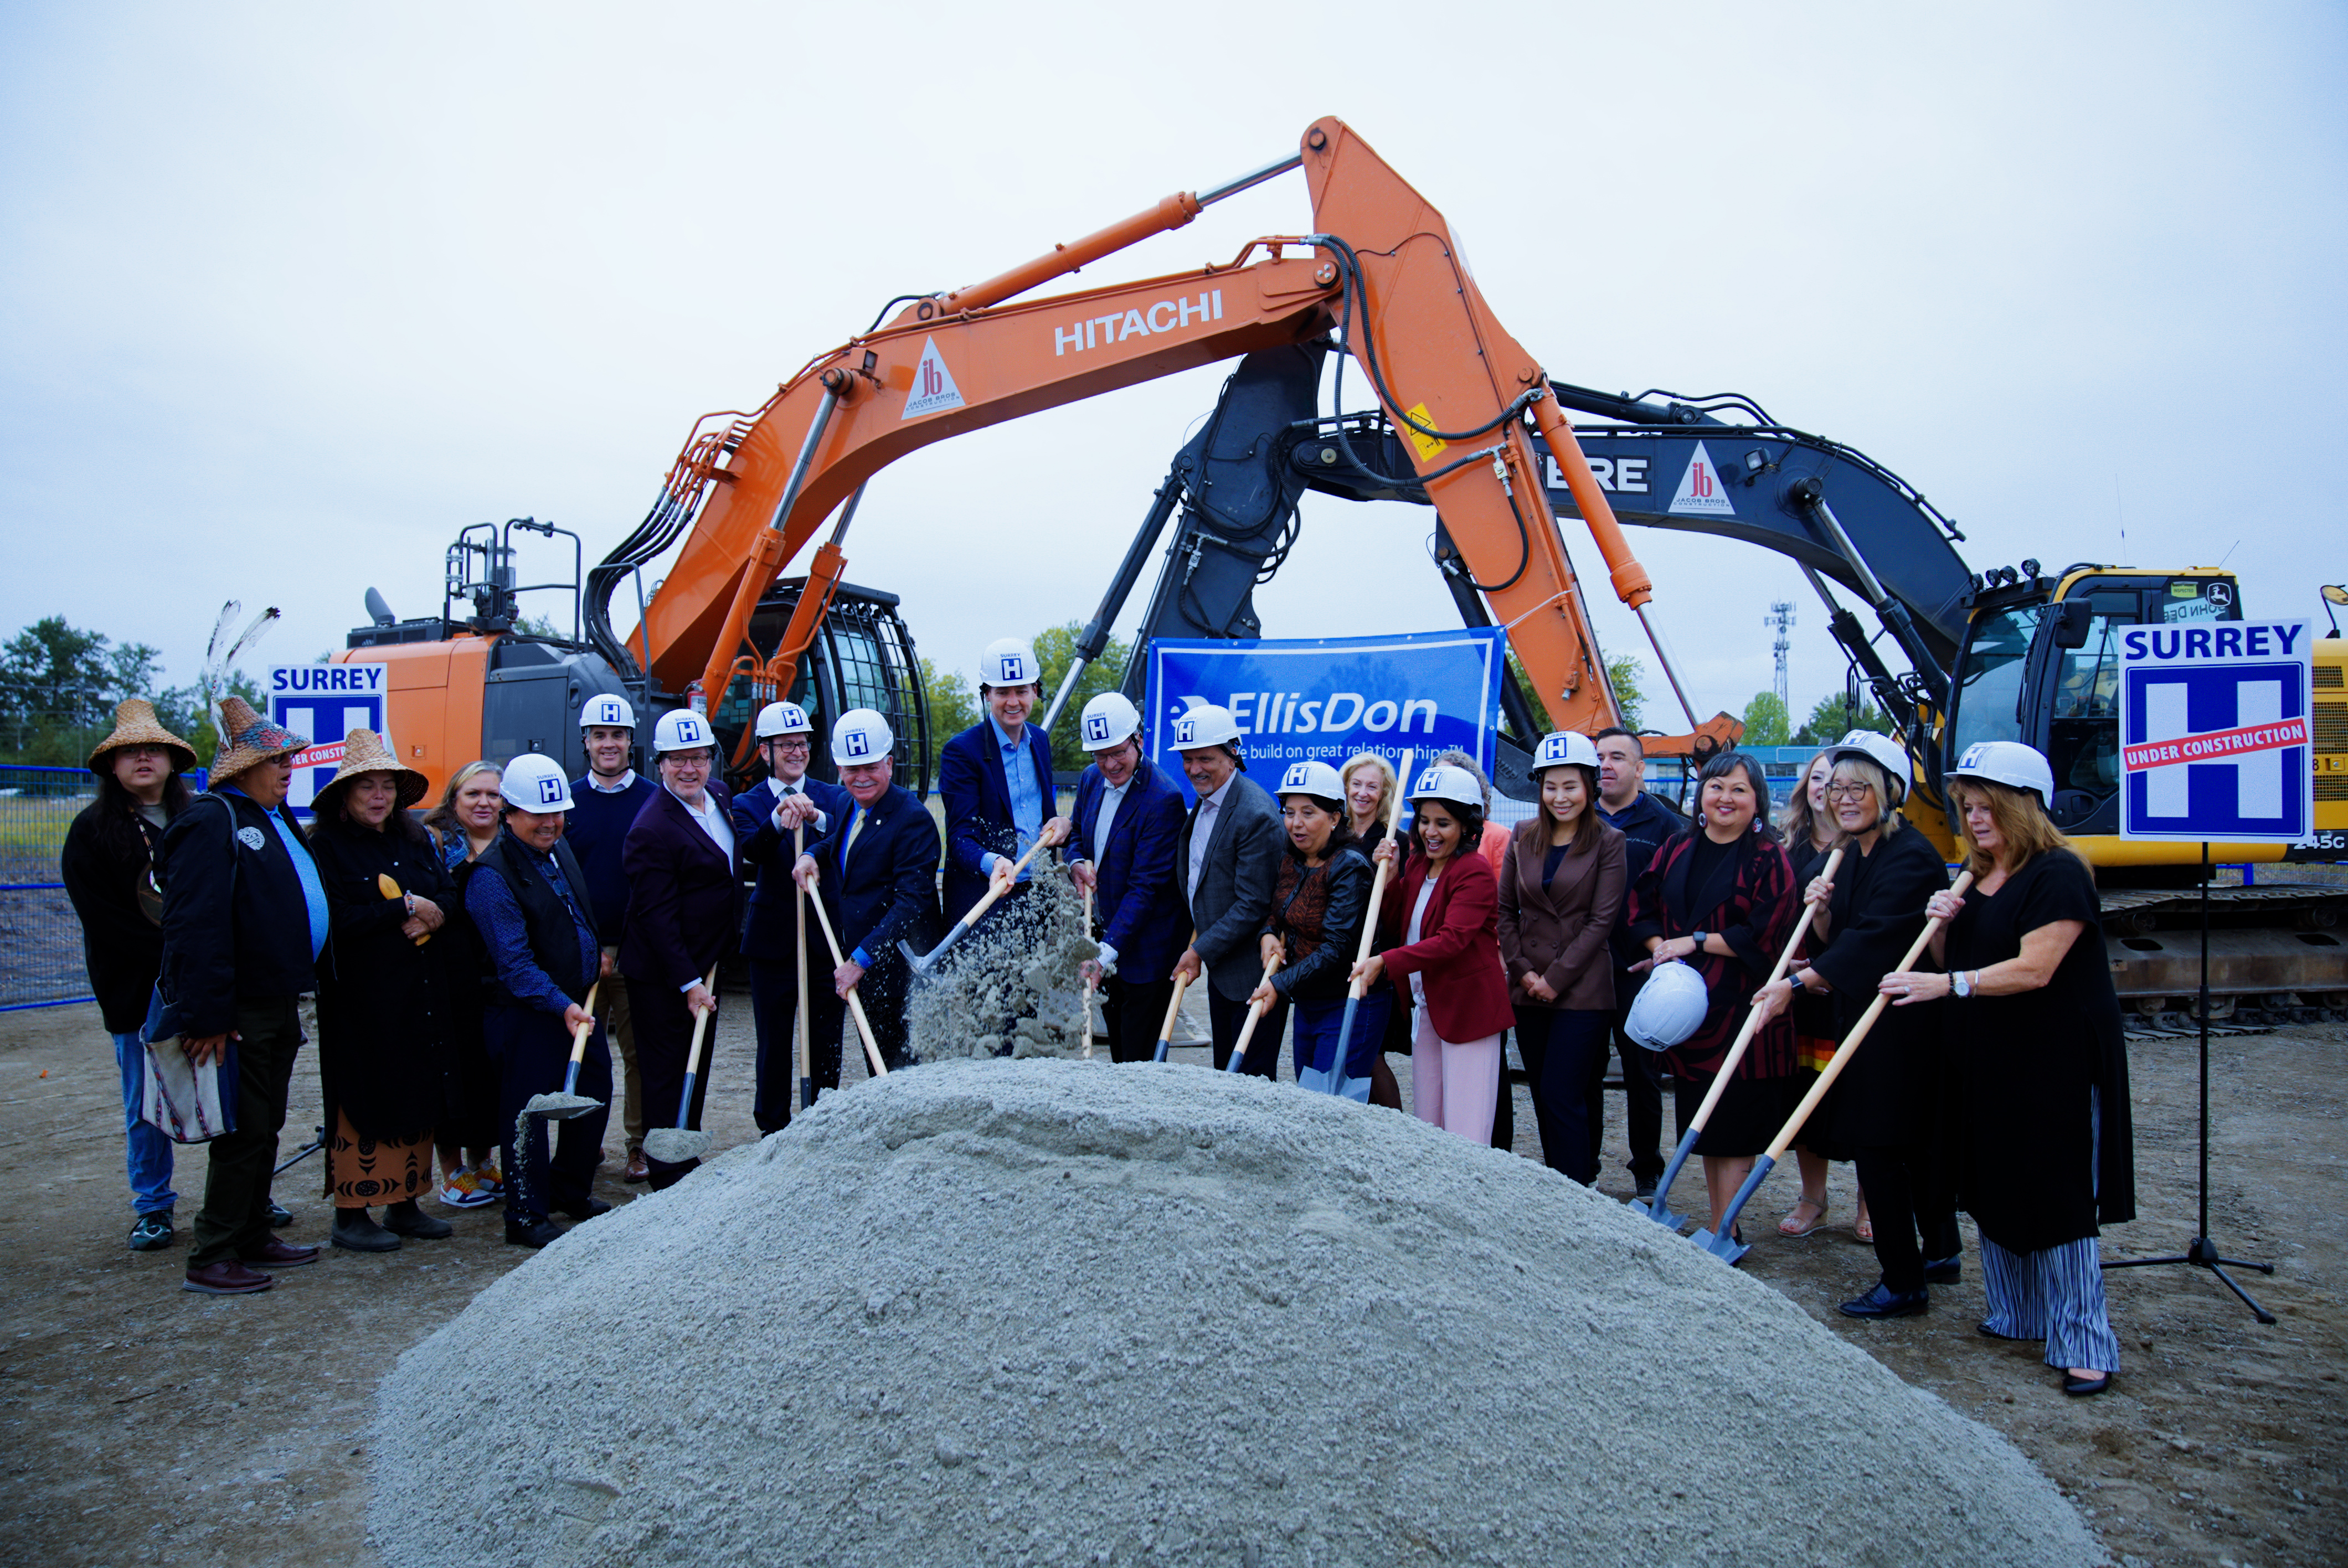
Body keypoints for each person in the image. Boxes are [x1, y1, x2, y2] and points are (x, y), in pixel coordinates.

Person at [1878, 741, 2135, 1395]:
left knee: (2055, 1190)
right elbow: (1953, 959)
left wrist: (1948, 985)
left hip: (2050, 1059)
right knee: (1991, 1178)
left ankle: (2084, 1339)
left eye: (1986, 806)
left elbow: (2034, 969)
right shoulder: (1976, 874)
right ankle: (2017, 1313)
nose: (1974, 818)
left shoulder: (2058, 873)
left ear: (2023, 806)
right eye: (1967, 807)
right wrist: (1940, 929)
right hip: (1986, 1054)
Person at [1749, 731, 1954, 1318]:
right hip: (1862, 1013)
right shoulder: (1847, 854)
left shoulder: (1910, 856)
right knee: (1906, 1144)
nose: (1842, 798)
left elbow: (1874, 943)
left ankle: (1903, 1280)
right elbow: (1831, 940)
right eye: (1835, 786)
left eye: (1857, 787)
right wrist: (1817, 907)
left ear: (1890, 792)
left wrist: (1796, 985)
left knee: (1882, 1145)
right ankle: (1940, 1251)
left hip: (1900, 1024)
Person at [153, 697, 328, 1294]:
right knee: (242, 1129)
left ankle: (253, 1229)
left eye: (290, 759)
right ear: (242, 767)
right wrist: (207, 1014)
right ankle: (214, 1250)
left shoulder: (270, 818)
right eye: (277, 759)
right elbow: (194, 925)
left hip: (277, 998)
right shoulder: (212, 820)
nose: (288, 768)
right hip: (237, 1008)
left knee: (267, 1121)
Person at [1624, 752, 1798, 1240]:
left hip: (1744, 1006)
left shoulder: (1769, 858)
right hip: (1690, 1009)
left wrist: (1695, 942)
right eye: (1716, 786)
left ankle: (1727, 1225)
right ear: (1700, 795)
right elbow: (1641, 905)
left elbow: (1766, 933)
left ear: (1757, 802)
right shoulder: (1677, 848)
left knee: (1736, 1124)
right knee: (1706, 1125)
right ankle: (1721, 1220)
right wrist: (1662, 951)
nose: (1726, 798)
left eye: (1739, 790)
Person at [304, 730, 456, 1252]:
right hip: (361, 1000)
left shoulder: (415, 838)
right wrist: (404, 907)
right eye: (366, 786)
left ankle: (405, 1205)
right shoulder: (324, 846)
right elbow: (335, 919)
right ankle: (351, 1213)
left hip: (419, 993)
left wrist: (432, 917)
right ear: (344, 795)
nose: (378, 796)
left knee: (415, 1090)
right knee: (363, 1094)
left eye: (387, 786)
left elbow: (448, 895)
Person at [60, 699, 195, 1251]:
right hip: (136, 987)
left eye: (153, 748)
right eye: (129, 751)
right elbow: (103, 918)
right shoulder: (91, 831)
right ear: (111, 767)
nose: (143, 756)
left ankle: (245, 1198)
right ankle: (154, 1206)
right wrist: (175, 954)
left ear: (171, 759)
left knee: (225, 1086)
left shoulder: (200, 819)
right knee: (145, 1098)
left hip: (204, 979)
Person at [464, 754, 613, 1248]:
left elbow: (574, 913)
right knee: (526, 1112)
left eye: (558, 814)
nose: (551, 823)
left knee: (595, 1090)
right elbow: (515, 964)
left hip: (575, 1003)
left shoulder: (557, 846)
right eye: (539, 815)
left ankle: (569, 1191)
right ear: (510, 812)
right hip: (525, 1013)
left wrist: (593, 957)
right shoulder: (490, 877)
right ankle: (525, 1213)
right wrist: (561, 1005)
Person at [1355, 765, 1514, 1141]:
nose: (1430, 831)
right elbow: (1396, 926)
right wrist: (1391, 878)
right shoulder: (1419, 865)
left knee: (1466, 1128)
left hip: (1469, 1013)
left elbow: (1451, 940)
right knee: (1429, 1123)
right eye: (1425, 821)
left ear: (1466, 826)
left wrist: (1385, 963)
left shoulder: (1473, 871)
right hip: (1429, 1010)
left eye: (1443, 823)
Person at [1497, 731, 1626, 1182]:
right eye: (1551, 786)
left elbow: (1600, 921)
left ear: (1590, 786)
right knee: (1544, 1091)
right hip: (1528, 986)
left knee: (1561, 1091)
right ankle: (1566, 1181)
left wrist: (1555, 978)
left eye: (1570, 786)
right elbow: (1505, 911)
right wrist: (1524, 971)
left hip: (1583, 991)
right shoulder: (1523, 835)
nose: (1560, 796)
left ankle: (1574, 1188)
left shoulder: (1610, 842)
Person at [621, 709, 742, 1189]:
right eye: (678, 760)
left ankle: (684, 1156)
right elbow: (656, 918)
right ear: (659, 764)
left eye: (698, 758)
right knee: (667, 1072)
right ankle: (667, 1176)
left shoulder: (718, 796)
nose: (689, 769)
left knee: (698, 1061)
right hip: (663, 974)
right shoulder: (651, 829)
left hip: (704, 961)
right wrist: (688, 982)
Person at [791, 709, 943, 1070]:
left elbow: (912, 902)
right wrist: (813, 853)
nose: (861, 778)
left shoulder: (912, 819)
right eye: (851, 770)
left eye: (871, 767)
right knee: (879, 1071)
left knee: (904, 1073)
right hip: (867, 970)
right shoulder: (847, 802)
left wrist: (860, 960)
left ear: (889, 764)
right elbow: (842, 844)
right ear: (839, 770)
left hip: (902, 974)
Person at [733, 699, 851, 1128]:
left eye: (802, 744)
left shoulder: (833, 795)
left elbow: (842, 836)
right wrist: (779, 820)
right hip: (772, 941)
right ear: (765, 752)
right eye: (786, 746)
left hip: (824, 937)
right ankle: (772, 1126)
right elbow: (754, 851)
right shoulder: (747, 802)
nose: (797, 752)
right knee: (775, 1039)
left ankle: (821, 1120)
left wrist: (816, 818)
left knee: (825, 1038)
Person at [563, 693, 659, 1182]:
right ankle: (584, 1144)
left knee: (639, 1053)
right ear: (586, 741)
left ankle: (638, 1146)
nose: (608, 744)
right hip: (583, 951)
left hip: (637, 949)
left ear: (630, 741)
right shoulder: (567, 801)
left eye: (617, 735)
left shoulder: (652, 798)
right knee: (583, 1052)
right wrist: (590, 945)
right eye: (599, 735)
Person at [1065, 693, 1187, 1064]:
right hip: (1105, 936)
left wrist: (1103, 957)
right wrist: (1074, 864)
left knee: (1139, 1062)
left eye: (1118, 752)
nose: (1110, 764)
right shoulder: (1090, 780)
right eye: (1100, 756)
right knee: (1118, 1050)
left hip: (1145, 953)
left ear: (1139, 739)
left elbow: (1145, 889)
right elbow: (1075, 838)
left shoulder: (1162, 799)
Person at [1594, 726, 1687, 1197]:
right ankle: (1580, 1167)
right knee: (1583, 1068)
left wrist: (1663, 952)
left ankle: (1647, 1170)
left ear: (1639, 768)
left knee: (1643, 1074)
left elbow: (1680, 894)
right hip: (1584, 969)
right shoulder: (1576, 816)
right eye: (1600, 757)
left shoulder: (1665, 825)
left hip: (1638, 971)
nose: (1606, 765)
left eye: (1617, 757)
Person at [1250, 760, 1379, 1093]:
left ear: (1335, 818)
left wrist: (1279, 985)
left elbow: (1337, 948)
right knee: (1309, 1094)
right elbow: (1277, 912)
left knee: (1332, 1102)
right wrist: (1267, 934)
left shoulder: (1350, 867)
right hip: (1308, 1002)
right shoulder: (1291, 858)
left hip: (1345, 1000)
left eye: (1309, 813)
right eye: (1289, 812)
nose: (1296, 824)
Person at [1169, 704, 1284, 1072]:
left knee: (1249, 1086)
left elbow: (1252, 905)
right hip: (1226, 976)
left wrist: (1199, 951)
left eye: (1205, 759)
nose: (1194, 769)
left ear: (1233, 754)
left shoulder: (1255, 814)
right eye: (1188, 760)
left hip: (1252, 976)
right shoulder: (1209, 801)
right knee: (1225, 1080)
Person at [1774, 747, 1858, 1240]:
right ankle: (1813, 1197)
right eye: (1819, 778)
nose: (1826, 789)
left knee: (1859, 1095)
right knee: (1806, 1093)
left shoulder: (1866, 847)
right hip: (1804, 992)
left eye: (1840, 781)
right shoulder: (1792, 848)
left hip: (1850, 990)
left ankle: (1870, 1203)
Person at [939, 637, 1072, 928]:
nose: (1013, 702)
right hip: (986, 902)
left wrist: (1061, 823)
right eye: (1002, 693)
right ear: (987, 694)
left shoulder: (1040, 740)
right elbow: (960, 837)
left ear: (1035, 692)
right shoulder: (961, 752)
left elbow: (1044, 813)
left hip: (1037, 897)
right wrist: (993, 863)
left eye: (1022, 691)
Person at [420, 761, 505, 1208]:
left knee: (489, 1070)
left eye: (493, 794)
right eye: (474, 794)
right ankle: (452, 1171)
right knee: (452, 1071)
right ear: (454, 799)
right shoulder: (434, 845)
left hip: (497, 975)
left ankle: (484, 1160)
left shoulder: (512, 843)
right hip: (449, 973)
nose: (484, 802)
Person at [1340, 752, 1407, 1110]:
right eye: (1357, 784)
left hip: (1374, 961)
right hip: (1335, 956)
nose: (1363, 793)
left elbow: (1402, 910)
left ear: (1384, 795)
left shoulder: (1396, 841)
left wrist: (1393, 874)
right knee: (1349, 1048)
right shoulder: (1333, 833)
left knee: (1369, 1053)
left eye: (1373, 786)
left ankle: (1397, 1126)